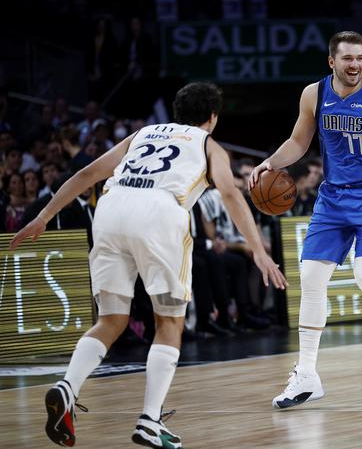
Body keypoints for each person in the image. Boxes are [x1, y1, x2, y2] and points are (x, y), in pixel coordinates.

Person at [10, 82, 287, 448]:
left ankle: (67, 387)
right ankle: (149, 421)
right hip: (158, 211)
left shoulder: (142, 134)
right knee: (169, 321)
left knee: (110, 320)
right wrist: (258, 250)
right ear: (213, 117)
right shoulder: (208, 144)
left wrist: (43, 216)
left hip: (109, 210)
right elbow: (231, 193)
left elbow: (85, 176)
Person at [250, 30, 362, 409]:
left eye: (360, 58)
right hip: (333, 197)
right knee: (310, 277)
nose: (355, 64)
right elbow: (299, 141)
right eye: (347, 59)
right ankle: (307, 374)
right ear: (332, 62)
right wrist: (269, 163)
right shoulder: (314, 94)